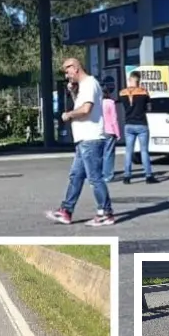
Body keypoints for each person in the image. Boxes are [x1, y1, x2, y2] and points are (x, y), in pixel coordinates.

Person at [45, 58, 115, 226]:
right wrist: (72, 92)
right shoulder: (83, 86)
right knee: (76, 176)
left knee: (95, 178)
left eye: (67, 71)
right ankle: (66, 211)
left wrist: (68, 115)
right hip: (84, 139)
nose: (66, 75)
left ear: (75, 68)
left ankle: (105, 212)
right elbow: (82, 103)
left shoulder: (90, 83)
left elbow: (85, 109)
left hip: (90, 138)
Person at [119, 70, 156, 184]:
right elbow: (149, 108)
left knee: (129, 151)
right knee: (144, 151)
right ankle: (148, 176)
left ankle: (127, 176)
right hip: (141, 124)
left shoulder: (122, 93)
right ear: (139, 81)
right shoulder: (144, 92)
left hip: (129, 124)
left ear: (130, 80)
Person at [100, 82, 120, 182]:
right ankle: (108, 175)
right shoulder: (110, 103)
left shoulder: (96, 103)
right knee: (109, 154)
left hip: (99, 131)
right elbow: (114, 119)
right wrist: (118, 133)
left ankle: (99, 174)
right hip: (109, 131)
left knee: (99, 154)